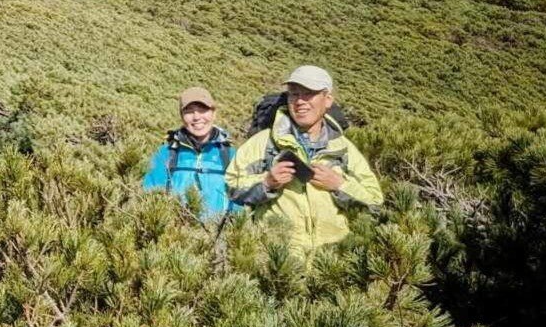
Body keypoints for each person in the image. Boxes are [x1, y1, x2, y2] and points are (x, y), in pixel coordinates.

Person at [225, 66, 382, 252]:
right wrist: (267, 183)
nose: (300, 101)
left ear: (328, 99)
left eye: (309, 94)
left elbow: (374, 201)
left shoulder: (343, 148)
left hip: (333, 261)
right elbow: (231, 186)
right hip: (278, 259)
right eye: (294, 94)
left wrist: (340, 185)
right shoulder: (263, 143)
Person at [142, 86, 236, 216]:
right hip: (175, 235)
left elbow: (239, 205)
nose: (196, 117)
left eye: (203, 109)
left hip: (219, 234)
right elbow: (149, 196)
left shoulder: (231, 155)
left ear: (214, 113)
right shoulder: (165, 154)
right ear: (182, 116)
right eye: (189, 111)